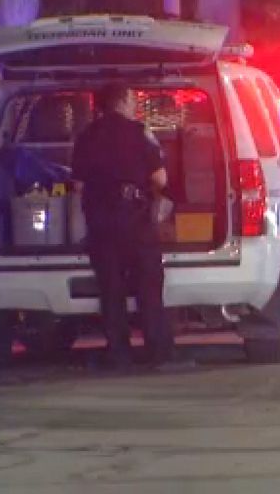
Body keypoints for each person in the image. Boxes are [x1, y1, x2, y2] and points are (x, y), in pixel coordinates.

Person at [71, 83, 185, 371]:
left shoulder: (86, 136)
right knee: (148, 284)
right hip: (134, 219)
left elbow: (78, 185)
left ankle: (118, 352)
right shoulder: (139, 132)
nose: (135, 104)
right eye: (133, 99)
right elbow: (160, 179)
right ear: (121, 100)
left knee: (110, 288)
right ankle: (158, 350)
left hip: (100, 221)